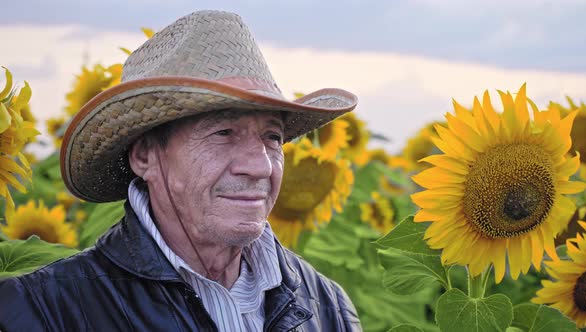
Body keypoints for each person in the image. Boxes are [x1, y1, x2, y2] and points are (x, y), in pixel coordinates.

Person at [0, 10, 361, 331]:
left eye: (272, 137)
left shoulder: (327, 306)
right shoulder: (43, 310)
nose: (260, 165)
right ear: (144, 156)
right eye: (223, 133)